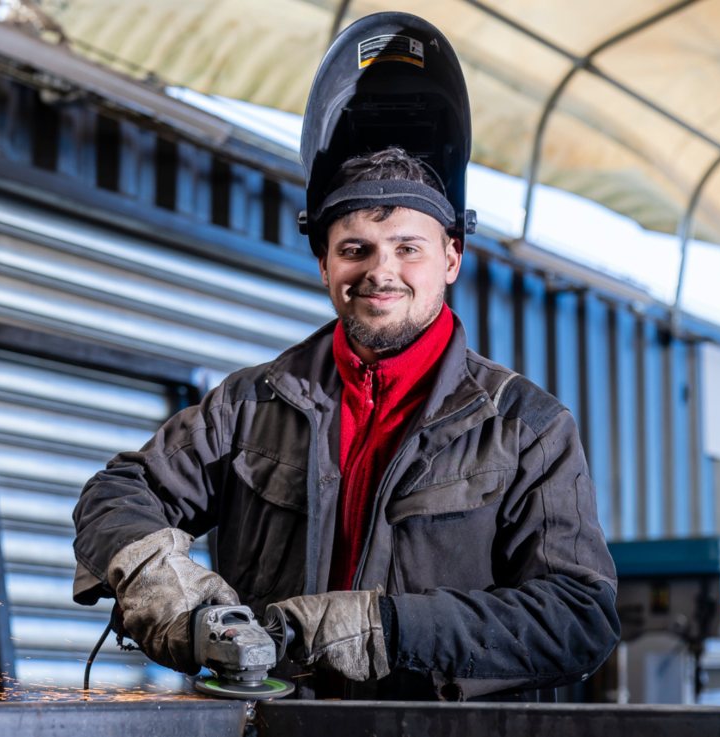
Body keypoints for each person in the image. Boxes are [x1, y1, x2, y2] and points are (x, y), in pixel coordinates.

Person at [72, 15, 619, 703]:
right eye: (355, 247)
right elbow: (117, 492)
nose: (380, 271)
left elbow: (578, 618)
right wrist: (164, 582)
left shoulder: (526, 428)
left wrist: (390, 627)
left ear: (452, 256)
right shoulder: (251, 406)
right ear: (325, 262)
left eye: (407, 247)